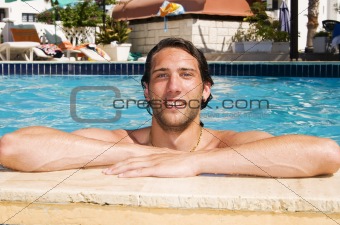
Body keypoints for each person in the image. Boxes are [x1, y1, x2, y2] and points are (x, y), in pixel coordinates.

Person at [0, 38, 339, 178]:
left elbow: (325, 153)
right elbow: (13, 146)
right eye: (161, 76)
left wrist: (194, 162)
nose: (174, 87)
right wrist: (136, 156)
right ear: (147, 92)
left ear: (205, 91)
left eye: (186, 75)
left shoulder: (228, 144)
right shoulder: (120, 143)